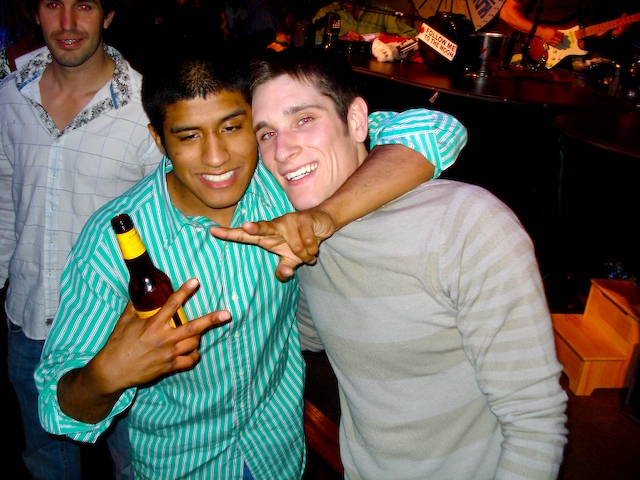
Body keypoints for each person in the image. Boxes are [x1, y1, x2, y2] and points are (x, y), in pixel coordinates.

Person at [34, 50, 460, 478]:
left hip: (279, 455)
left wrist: (323, 217)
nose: (216, 157)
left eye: (232, 127)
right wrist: (105, 376)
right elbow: (57, 408)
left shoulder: (283, 179)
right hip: (181, 466)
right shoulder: (112, 245)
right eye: (188, 136)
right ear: (159, 140)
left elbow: (433, 130)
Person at [210, 49, 569, 479]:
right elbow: (306, 330)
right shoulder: (301, 237)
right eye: (267, 134)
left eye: (304, 119)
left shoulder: (464, 224)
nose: (283, 151)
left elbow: (534, 423)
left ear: (357, 121)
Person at [0, 0, 163, 478]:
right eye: (54, 4)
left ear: (108, 15)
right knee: (45, 459)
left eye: (84, 5)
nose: (68, 23)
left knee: (136, 463)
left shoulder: (145, 106)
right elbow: (6, 200)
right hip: (29, 319)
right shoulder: (9, 96)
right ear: (36, 13)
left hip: (117, 327)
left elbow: (168, 226)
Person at [498, 0, 633, 67]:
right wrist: (541, 32)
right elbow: (506, 12)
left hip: (569, 64)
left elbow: (583, 32)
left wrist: (610, 33)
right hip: (532, 56)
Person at [312, 1, 418, 44]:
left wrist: (387, 39)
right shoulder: (326, 12)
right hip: (338, 73)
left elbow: (413, 37)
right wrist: (339, 40)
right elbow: (311, 44)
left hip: (374, 75)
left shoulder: (382, 10)